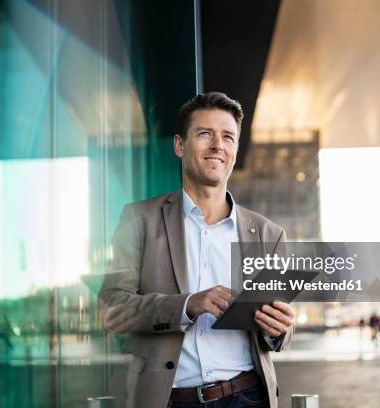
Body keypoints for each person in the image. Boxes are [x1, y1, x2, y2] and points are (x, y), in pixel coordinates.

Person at [100, 92, 294, 408]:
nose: (218, 145)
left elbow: (280, 332)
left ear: (235, 150)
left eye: (228, 137)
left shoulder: (269, 235)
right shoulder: (140, 220)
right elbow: (112, 310)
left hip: (247, 396)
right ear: (180, 145)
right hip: (169, 400)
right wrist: (188, 304)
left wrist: (279, 329)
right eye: (205, 134)